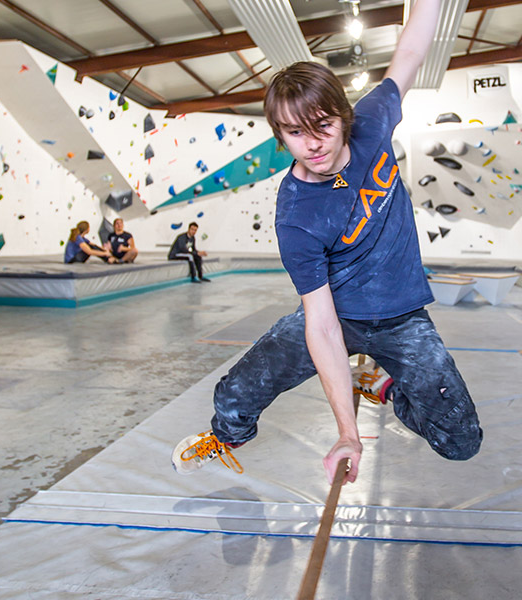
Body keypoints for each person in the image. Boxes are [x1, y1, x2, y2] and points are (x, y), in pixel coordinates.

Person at [172, 0, 482, 484]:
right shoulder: (296, 215)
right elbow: (320, 325)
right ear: (281, 134)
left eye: (324, 127)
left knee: (461, 442)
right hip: (336, 315)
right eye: (296, 133)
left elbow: (411, 52)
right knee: (235, 393)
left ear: (344, 115)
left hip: (404, 319)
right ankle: (226, 437)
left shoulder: (374, 121)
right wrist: (347, 432)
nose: (313, 143)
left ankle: (384, 387)